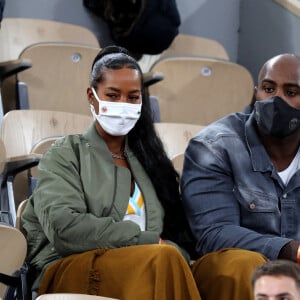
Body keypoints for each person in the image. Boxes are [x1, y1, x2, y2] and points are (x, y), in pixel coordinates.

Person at [21, 45, 201, 300]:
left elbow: (172, 236)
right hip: (69, 266)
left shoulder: (149, 162)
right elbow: (65, 229)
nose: (123, 105)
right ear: (92, 96)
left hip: (149, 263)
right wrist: (146, 240)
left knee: (218, 265)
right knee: (162, 258)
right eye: (113, 95)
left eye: (132, 97)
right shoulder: (65, 153)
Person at [181, 53, 300, 300]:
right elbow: (214, 232)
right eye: (269, 89)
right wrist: (290, 250)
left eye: (291, 92)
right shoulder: (214, 146)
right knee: (245, 264)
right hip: (233, 271)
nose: (276, 100)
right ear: (256, 93)